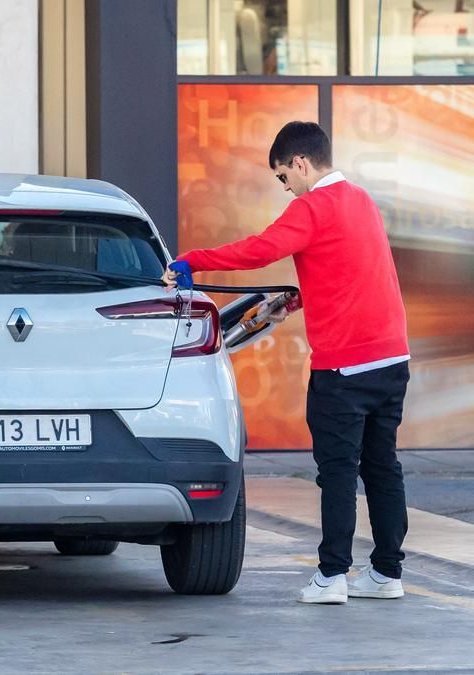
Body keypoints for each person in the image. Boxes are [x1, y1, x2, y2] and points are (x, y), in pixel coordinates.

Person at [163, 121, 411, 605]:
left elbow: (260, 250)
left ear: (300, 163)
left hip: (343, 368)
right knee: (383, 468)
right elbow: (353, 270)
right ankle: (387, 573)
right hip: (391, 359)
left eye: (283, 177)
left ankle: (331, 576)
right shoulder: (361, 200)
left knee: (337, 471)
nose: (286, 188)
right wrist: (303, 298)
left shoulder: (312, 206)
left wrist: (192, 260)